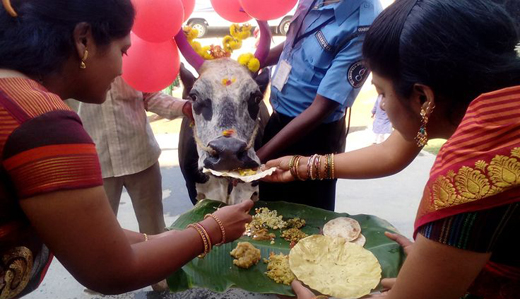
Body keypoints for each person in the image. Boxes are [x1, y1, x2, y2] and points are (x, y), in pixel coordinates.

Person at [264, 0, 520, 298]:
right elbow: (392, 151)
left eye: (382, 92)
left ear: (423, 98)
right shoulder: (486, 98)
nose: (381, 105)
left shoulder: (472, 167)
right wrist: (299, 166)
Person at [0, 1, 253, 298]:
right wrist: (212, 230)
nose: (124, 67)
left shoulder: (11, 92)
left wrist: (168, 240)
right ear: (83, 41)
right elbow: (110, 269)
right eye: (123, 51)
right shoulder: (43, 122)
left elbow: (93, 236)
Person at [256, 0, 383, 211]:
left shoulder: (364, 23)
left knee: (306, 221)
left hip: (315, 139)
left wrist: (259, 156)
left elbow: (322, 108)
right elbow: (295, 42)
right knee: (268, 212)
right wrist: (256, 61)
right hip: (277, 123)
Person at [77, 78, 190, 237]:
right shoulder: (66, 60)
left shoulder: (131, 56)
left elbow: (149, 96)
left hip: (140, 155)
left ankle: (156, 261)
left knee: (154, 230)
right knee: (99, 235)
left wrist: (184, 107)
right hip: (96, 162)